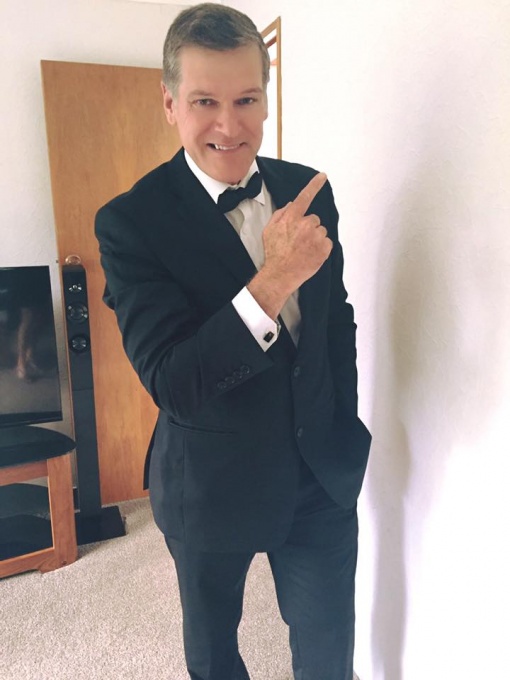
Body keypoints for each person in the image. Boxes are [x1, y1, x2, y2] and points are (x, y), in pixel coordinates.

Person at [95, 4, 371, 679]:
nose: (229, 125)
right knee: (215, 655)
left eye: (246, 99)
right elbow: (174, 380)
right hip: (210, 485)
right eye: (204, 102)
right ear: (170, 103)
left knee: (329, 654)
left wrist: (343, 418)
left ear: (266, 98)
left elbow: (335, 319)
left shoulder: (309, 190)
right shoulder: (130, 223)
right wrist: (273, 279)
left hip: (320, 473)